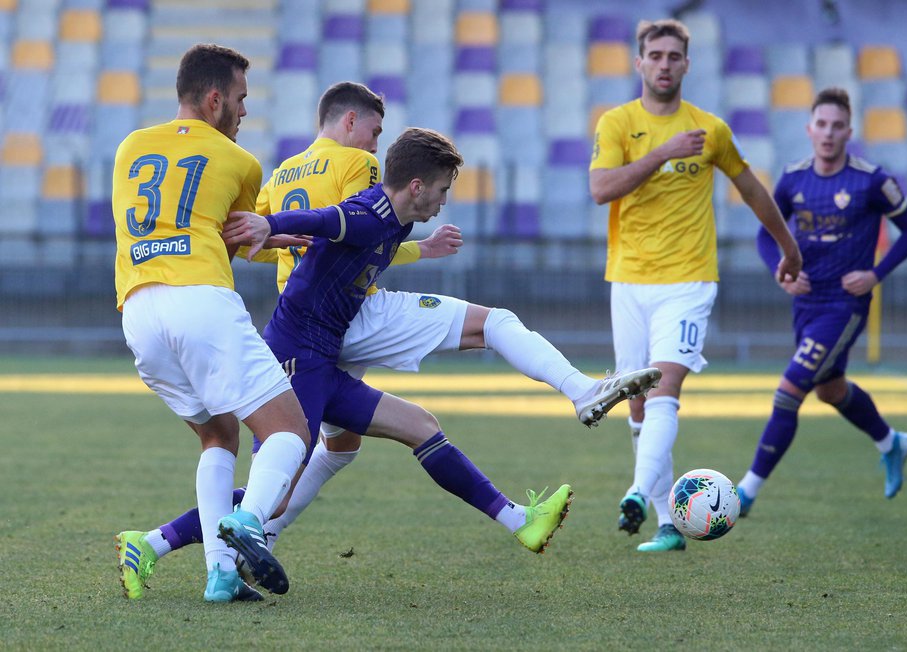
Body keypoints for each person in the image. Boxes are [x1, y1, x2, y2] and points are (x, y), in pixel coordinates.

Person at [114, 85, 662, 600]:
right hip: (308, 342)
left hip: (324, 343)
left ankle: (521, 521)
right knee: (275, 485)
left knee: (405, 429)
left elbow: (305, 235)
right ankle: (173, 541)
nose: (445, 201)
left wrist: (271, 230)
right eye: (443, 190)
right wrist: (278, 223)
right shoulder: (369, 187)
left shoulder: (298, 174)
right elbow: (338, 219)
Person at [588, 19, 803, 552]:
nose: (664, 64)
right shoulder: (617, 123)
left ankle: (637, 491)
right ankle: (667, 522)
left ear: (688, 64)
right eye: (655, 55)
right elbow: (600, 189)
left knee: (663, 390)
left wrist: (789, 246)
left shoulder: (711, 130)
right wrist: (663, 153)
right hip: (628, 281)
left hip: (688, 281)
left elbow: (752, 190)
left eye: (673, 56)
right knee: (635, 405)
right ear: (639, 63)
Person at [112, 44, 315, 602]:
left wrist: (264, 237)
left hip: (138, 311)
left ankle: (221, 575)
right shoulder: (240, 161)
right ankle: (248, 523)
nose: (245, 112)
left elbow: (188, 215)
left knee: (217, 434)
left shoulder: (130, 147)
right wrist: (273, 239)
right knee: (289, 432)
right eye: (242, 99)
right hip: (198, 298)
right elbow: (236, 236)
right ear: (214, 98)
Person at [735, 87, 907, 516]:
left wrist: (875, 274)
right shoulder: (794, 178)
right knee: (830, 390)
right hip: (805, 303)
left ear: (849, 132)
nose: (828, 133)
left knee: (789, 392)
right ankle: (892, 443)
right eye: (822, 124)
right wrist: (780, 270)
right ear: (809, 129)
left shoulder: (872, 180)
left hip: (844, 305)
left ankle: (746, 491)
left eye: (837, 126)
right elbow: (766, 233)